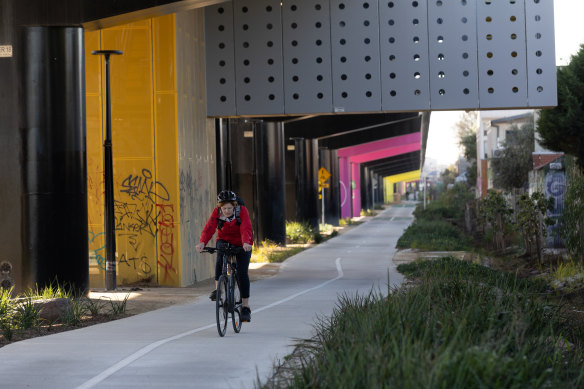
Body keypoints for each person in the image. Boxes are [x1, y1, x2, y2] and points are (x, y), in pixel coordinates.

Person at [196, 190, 254, 322]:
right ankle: (218, 290)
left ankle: (245, 307)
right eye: (224, 208)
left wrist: (246, 242)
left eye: (229, 208)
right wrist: (202, 243)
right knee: (220, 260)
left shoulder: (242, 211)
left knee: (242, 273)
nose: (226, 211)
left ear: (234, 206)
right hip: (224, 240)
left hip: (242, 242)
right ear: (220, 207)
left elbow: (246, 227)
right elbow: (209, 228)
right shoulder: (217, 213)